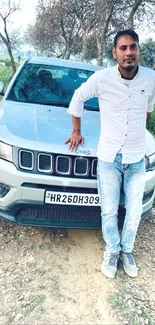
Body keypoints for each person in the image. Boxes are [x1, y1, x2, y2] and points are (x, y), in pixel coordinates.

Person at [65, 29, 155, 279]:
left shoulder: (151, 79)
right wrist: (76, 130)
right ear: (114, 52)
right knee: (109, 210)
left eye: (133, 47)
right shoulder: (102, 78)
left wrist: (140, 130)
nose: (128, 53)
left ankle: (127, 250)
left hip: (136, 158)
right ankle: (112, 250)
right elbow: (78, 97)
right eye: (123, 48)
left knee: (135, 211)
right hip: (108, 158)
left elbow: (148, 110)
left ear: (138, 50)